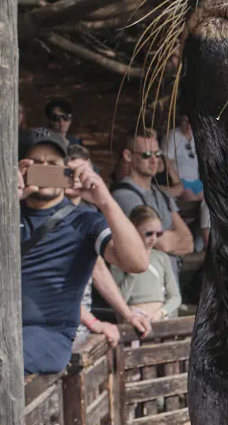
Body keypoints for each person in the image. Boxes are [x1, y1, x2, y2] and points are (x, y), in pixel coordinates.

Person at [19, 129, 147, 376]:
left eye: (53, 165)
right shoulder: (1, 213)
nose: (45, 170)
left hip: (48, 336)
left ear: (67, 170)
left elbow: (137, 262)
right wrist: (9, 198)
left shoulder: (85, 221)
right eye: (35, 164)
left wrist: (104, 200)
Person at [111, 127, 194, 256]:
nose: (154, 160)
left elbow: (189, 243)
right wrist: (175, 239)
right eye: (146, 155)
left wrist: (169, 241)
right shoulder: (123, 195)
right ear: (128, 156)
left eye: (157, 154)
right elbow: (160, 243)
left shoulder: (162, 194)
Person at [111, 205, 183, 322]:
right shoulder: (119, 258)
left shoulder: (162, 257)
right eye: (149, 233)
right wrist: (134, 269)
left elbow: (175, 297)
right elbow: (118, 300)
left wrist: (162, 312)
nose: (154, 239)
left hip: (161, 316)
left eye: (158, 234)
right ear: (133, 230)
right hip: (134, 318)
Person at [161, 114, 204, 200]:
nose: (189, 125)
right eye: (185, 121)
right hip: (181, 181)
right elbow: (167, 162)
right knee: (193, 200)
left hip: (196, 180)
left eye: (192, 121)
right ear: (180, 121)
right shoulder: (173, 135)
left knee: (208, 204)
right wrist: (177, 183)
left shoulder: (198, 135)